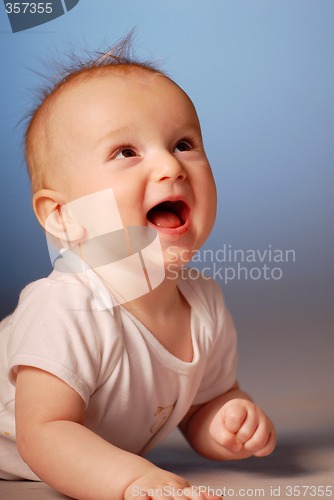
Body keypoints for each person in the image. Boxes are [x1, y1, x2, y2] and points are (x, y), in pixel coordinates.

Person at [0, 36, 276, 499]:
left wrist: (227, 420)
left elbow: (200, 403)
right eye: (126, 152)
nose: (171, 164)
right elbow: (44, 433)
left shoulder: (203, 303)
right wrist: (132, 480)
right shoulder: (66, 306)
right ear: (63, 217)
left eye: (184, 143)